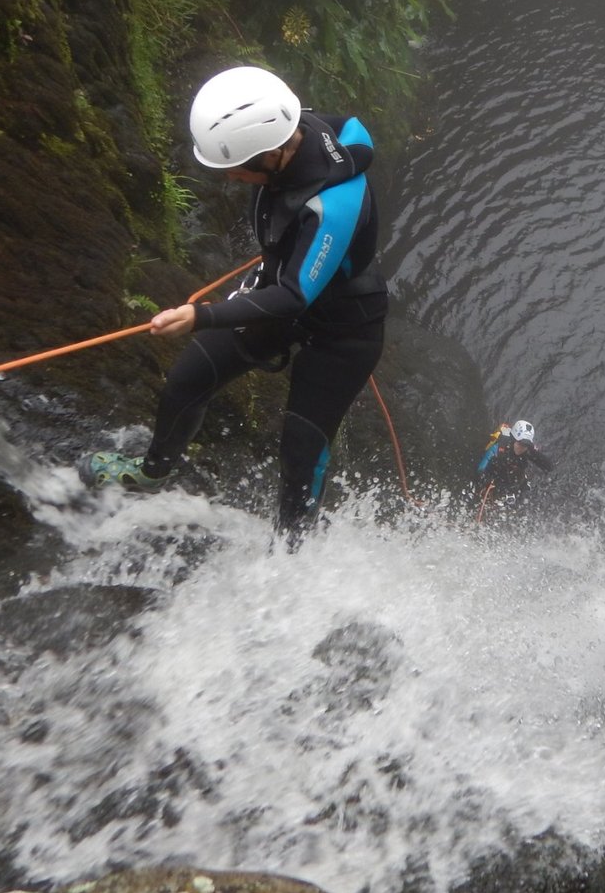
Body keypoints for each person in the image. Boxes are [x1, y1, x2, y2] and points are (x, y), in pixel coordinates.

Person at [78, 65, 388, 539]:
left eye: (235, 169)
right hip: (282, 286)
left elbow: (293, 296)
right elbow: (287, 279)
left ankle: (292, 551)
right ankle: (154, 470)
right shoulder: (290, 128)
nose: (231, 179)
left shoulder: (333, 203)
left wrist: (199, 316)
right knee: (188, 377)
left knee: (301, 448)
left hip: (343, 328)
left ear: (270, 156)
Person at [474, 419, 554, 510]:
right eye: (520, 444)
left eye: (525, 445)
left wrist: (534, 452)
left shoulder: (527, 451)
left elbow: (549, 466)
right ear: (513, 439)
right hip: (495, 479)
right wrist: (488, 483)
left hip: (513, 481)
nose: (522, 448)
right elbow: (480, 470)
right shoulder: (498, 448)